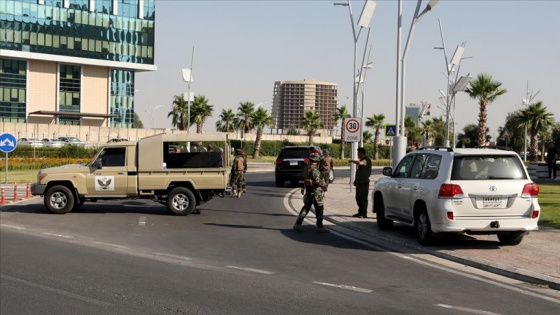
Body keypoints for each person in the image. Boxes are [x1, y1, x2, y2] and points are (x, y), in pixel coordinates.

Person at [293, 153, 329, 233]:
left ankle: (298, 224)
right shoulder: (314, 170)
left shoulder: (306, 168)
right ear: (316, 161)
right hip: (316, 193)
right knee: (319, 209)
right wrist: (324, 185)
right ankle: (320, 227)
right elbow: (317, 181)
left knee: (306, 208)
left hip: (308, 192)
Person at [349, 147, 372, 218]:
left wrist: (352, 161)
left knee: (363, 198)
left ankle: (364, 213)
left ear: (362, 153)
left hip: (364, 183)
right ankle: (360, 212)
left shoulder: (366, 160)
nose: (357, 154)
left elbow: (360, 163)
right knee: (358, 198)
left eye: (358, 153)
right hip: (359, 182)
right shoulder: (362, 159)